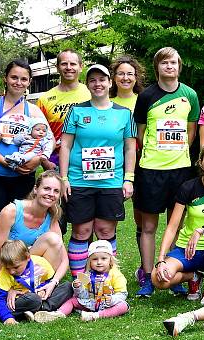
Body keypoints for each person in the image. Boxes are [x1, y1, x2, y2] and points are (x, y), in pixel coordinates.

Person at [133, 47, 201, 297]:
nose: (169, 67)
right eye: (164, 63)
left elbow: (191, 132)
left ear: (179, 66)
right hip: (151, 169)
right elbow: (140, 133)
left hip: (180, 169)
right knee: (149, 226)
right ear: (157, 67)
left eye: (173, 62)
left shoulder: (190, 95)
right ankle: (149, 276)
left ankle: (172, 272)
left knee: (176, 224)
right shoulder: (146, 96)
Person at [59, 64, 136, 277]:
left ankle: (106, 280)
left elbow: (130, 147)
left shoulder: (124, 114)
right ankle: (80, 282)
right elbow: (65, 145)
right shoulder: (76, 111)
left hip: (111, 182)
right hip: (79, 181)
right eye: (92, 80)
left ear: (110, 83)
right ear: (87, 84)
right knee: (81, 231)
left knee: (105, 231)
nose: (97, 84)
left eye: (102, 79)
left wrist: (128, 178)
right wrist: (63, 178)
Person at [0, 59, 49, 247]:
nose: (18, 82)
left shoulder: (33, 110)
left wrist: (38, 159)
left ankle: (15, 274)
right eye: (14, 77)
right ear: (5, 79)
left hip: (22, 178)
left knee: (18, 230)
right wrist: (5, 162)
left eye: (24, 79)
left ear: (29, 82)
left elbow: (49, 138)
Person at [149, 144, 204, 303]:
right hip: (186, 249)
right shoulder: (188, 187)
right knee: (158, 279)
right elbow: (172, 227)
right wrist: (161, 258)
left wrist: (201, 230)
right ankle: (193, 276)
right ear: (200, 162)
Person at [0, 171, 68, 310]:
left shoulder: (52, 217)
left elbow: (64, 259)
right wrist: (8, 286)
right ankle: (19, 299)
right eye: (46, 188)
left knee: (54, 240)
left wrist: (54, 282)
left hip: (23, 265)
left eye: (56, 191)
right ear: (36, 189)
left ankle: (29, 294)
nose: (51, 193)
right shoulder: (12, 211)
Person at [109, 54, 147, 286]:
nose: (125, 77)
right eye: (121, 73)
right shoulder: (104, 99)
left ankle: (145, 267)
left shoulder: (145, 100)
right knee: (105, 219)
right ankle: (101, 266)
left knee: (141, 219)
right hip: (110, 166)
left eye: (130, 74)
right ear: (113, 77)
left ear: (136, 77)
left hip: (141, 164)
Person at [33, 240, 129, 322]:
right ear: (89, 261)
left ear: (110, 260)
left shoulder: (116, 275)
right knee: (72, 301)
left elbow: (122, 294)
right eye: (95, 259)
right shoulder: (87, 275)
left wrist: (112, 300)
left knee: (123, 306)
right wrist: (78, 287)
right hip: (90, 303)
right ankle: (59, 313)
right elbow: (82, 295)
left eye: (103, 258)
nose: (99, 262)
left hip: (107, 304)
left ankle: (96, 316)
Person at [0, 240, 73, 324]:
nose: (12, 271)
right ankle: (6, 315)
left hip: (41, 297)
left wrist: (42, 289)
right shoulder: (5, 273)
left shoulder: (41, 262)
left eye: (16, 267)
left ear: (27, 257)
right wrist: (7, 318)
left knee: (68, 287)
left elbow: (49, 281)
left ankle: (39, 310)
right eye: (8, 268)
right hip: (23, 300)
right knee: (34, 299)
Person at [36, 49, 91, 168]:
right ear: (57, 67)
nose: (68, 67)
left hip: (87, 158)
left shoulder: (92, 94)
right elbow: (37, 133)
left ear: (81, 67)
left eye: (73, 64)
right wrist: (44, 161)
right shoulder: (44, 99)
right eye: (64, 64)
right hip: (55, 160)